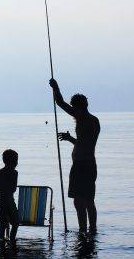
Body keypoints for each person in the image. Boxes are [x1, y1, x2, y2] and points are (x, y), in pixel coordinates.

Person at [49, 78, 100, 234]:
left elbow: (60, 102)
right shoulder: (93, 120)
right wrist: (70, 139)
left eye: (73, 107)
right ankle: (91, 229)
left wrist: (55, 87)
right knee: (89, 200)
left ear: (78, 106)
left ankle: (83, 230)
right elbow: (85, 143)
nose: (72, 110)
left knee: (79, 201)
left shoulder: (83, 118)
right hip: (89, 163)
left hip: (81, 165)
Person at [0, 149, 19, 243]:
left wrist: (1, 189)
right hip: (10, 203)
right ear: (15, 162)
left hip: (0, 203)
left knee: (2, 226)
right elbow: (13, 189)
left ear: (4, 160)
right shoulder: (14, 173)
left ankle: (1, 244)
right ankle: (12, 241)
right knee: (15, 223)